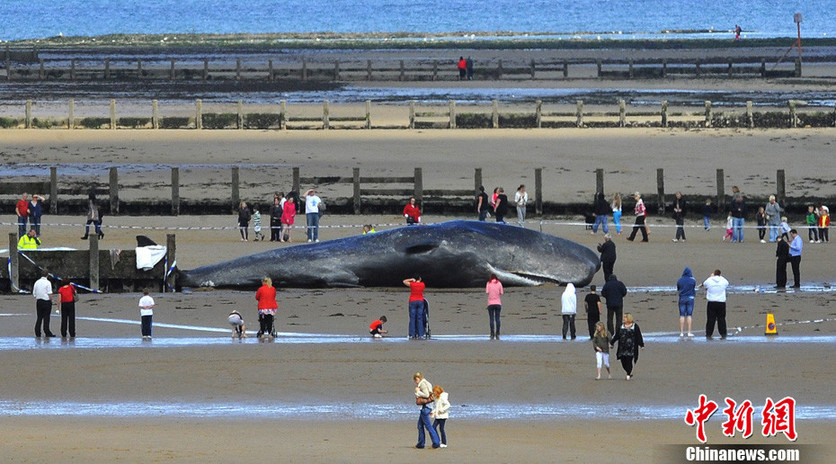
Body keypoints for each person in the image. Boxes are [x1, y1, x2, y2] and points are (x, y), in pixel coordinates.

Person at [610, 313, 644, 380]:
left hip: (632, 347)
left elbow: (639, 336)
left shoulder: (635, 326)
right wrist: (612, 343)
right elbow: (617, 336)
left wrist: (641, 345)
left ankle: (628, 374)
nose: (623, 319)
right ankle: (628, 371)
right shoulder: (621, 326)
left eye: (625, 317)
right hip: (622, 347)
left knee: (629, 361)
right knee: (623, 361)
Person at [413, 372, 440, 449]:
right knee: (420, 426)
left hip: (426, 408)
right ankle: (420, 444)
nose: (416, 381)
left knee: (428, 426)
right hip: (427, 407)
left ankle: (436, 443)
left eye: (416, 379)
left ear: (419, 378)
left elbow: (426, 395)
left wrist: (418, 392)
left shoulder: (422, 384)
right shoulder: (427, 383)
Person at [702, 269, 729, 340]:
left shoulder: (709, 280)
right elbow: (727, 283)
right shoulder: (723, 281)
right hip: (721, 302)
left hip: (712, 302)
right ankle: (723, 333)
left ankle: (709, 333)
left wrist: (711, 277)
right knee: (721, 319)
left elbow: (704, 284)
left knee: (710, 319)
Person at [32, 271, 55, 338]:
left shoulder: (37, 282)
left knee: (39, 317)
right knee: (46, 317)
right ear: (47, 275)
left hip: (39, 301)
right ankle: (47, 331)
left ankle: (37, 332)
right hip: (46, 301)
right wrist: (52, 300)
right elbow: (49, 293)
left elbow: (34, 293)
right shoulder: (48, 283)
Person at [677, 267, 696, 337]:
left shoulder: (680, 280)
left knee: (682, 315)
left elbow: (678, 288)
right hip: (690, 298)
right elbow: (693, 288)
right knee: (689, 315)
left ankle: (681, 332)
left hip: (682, 298)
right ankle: (689, 332)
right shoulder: (692, 280)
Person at [486, 274, 503, 340]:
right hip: (498, 303)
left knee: (491, 319)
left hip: (490, 303)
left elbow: (487, 292)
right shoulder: (499, 283)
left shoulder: (488, 283)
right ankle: (498, 333)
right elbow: (501, 292)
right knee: (498, 319)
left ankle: (492, 333)